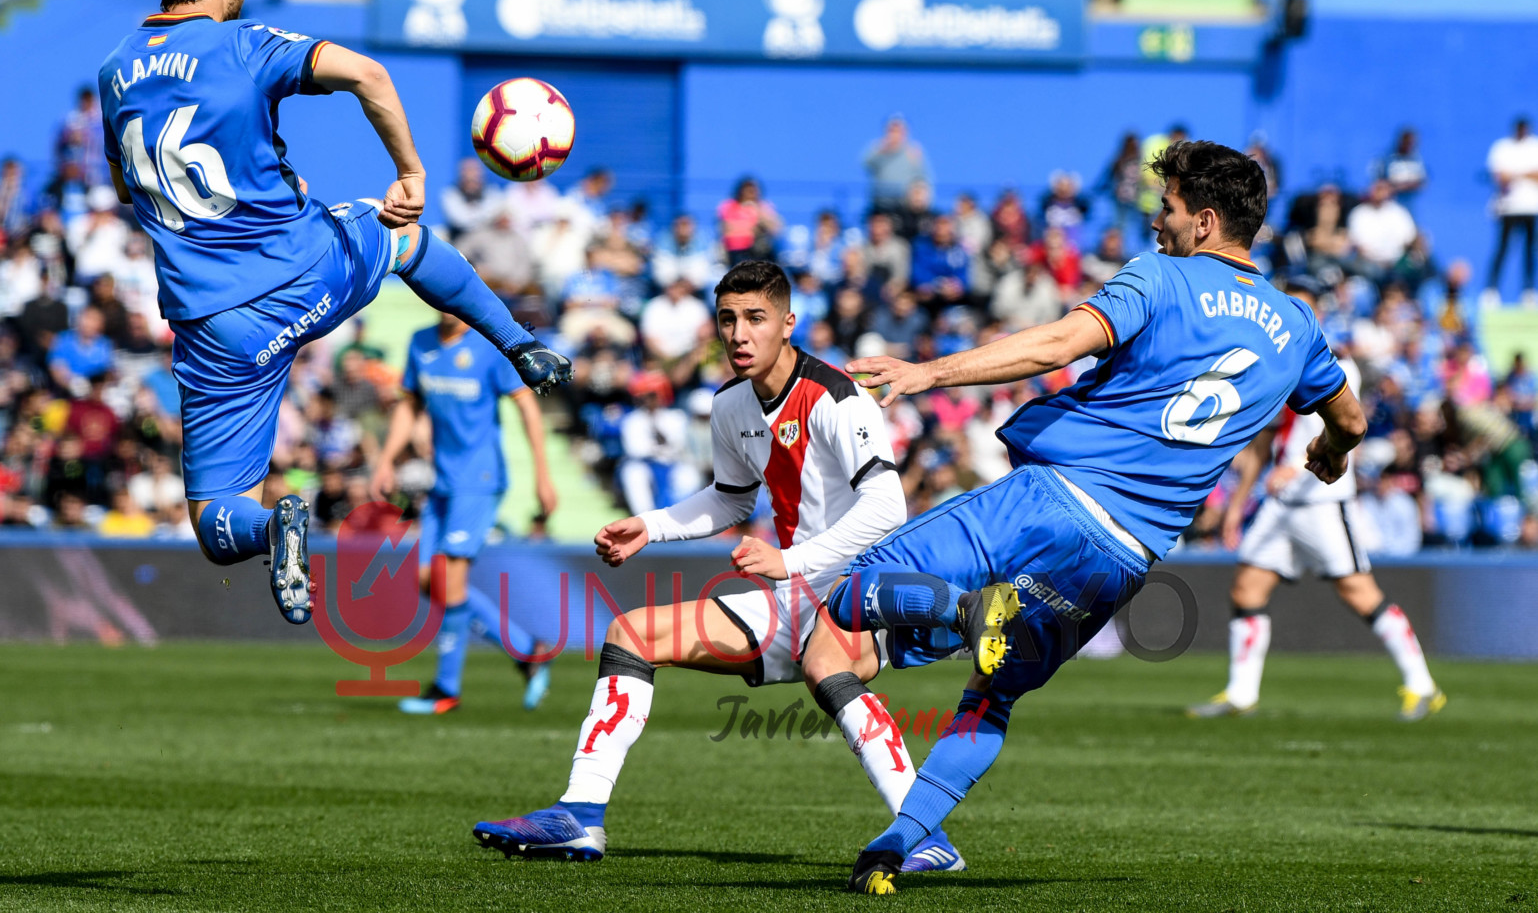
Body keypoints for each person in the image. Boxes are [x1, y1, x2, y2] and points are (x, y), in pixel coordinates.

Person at [801, 140, 1367, 894]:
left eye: (1166, 209)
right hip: (1124, 558)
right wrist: (1329, 450)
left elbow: (1061, 342)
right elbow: (1352, 420)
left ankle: (965, 612)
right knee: (992, 697)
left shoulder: (1163, 277)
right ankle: (898, 844)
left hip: (1053, 500)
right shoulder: (1297, 326)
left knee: (849, 593)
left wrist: (930, 371)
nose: (1155, 223)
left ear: (1204, 222)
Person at [97, 0, 571, 627]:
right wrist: (410, 173)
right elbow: (367, 75)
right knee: (401, 238)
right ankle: (520, 344)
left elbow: (127, 184)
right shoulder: (242, 45)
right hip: (304, 271)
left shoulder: (114, 72)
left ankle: (274, 526)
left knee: (215, 522)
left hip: (216, 327)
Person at [471, 261, 965, 875]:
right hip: (793, 595)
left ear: (788, 323)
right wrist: (651, 526)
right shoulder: (731, 402)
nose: (739, 334)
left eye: (755, 318)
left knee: (826, 665)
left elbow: (887, 507)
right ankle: (580, 813)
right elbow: (732, 498)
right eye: (728, 319)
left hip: (863, 591)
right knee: (632, 633)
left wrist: (789, 559)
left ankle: (924, 834)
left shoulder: (839, 397)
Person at [1188, 277, 1443, 722]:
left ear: (1318, 313)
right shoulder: (1272, 360)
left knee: (1359, 592)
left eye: (1301, 305)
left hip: (1323, 500)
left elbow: (1346, 425)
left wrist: (1295, 466)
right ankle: (1241, 693)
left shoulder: (1339, 364)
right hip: (1281, 504)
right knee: (1247, 587)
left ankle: (1423, 685)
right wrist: (1238, 504)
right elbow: (1264, 442)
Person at [372, 313, 560, 714]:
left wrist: (543, 475)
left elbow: (527, 406)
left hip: (479, 479)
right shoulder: (421, 342)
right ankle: (528, 650)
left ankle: (445, 689)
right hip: (442, 481)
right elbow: (409, 404)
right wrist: (386, 459)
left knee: (450, 580)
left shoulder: (489, 347)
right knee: (429, 581)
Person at [1484, 116, 1538, 307]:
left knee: (1530, 251)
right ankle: (1491, 290)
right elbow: (1499, 176)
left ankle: (1528, 291)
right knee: (1502, 249)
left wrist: (1515, 173)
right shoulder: (1502, 147)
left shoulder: (1535, 146)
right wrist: (1525, 173)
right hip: (1508, 207)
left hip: (1531, 207)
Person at [862, 115, 930, 214]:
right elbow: (865, 164)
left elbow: (923, 178)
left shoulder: (912, 153)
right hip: (879, 203)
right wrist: (880, 149)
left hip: (904, 205)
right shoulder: (879, 149)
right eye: (891, 131)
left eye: (898, 131)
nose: (894, 134)